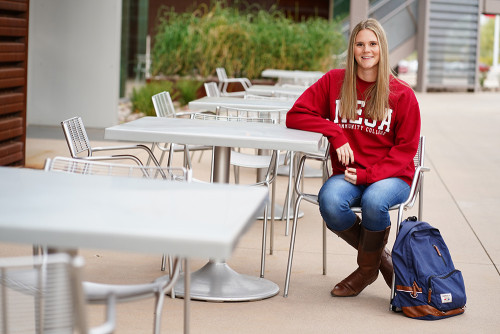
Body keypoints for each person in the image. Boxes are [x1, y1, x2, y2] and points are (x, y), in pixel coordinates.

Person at [286, 18, 421, 297]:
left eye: (372, 43)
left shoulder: (402, 94)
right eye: (360, 44)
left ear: (382, 48)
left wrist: (369, 175)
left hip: (392, 177)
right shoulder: (335, 82)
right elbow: (295, 115)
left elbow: (406, 150)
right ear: (352, 48)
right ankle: (379, 263)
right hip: (348, 175)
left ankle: (363, 271)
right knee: (330, 201)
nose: (366, 49)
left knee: (374, 200)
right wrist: (335, 133)